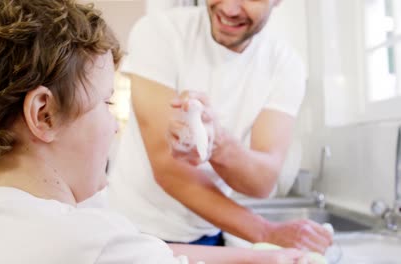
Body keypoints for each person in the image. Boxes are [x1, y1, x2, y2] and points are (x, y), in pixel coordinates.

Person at [0, 0, 318, 263]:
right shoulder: (93, 241)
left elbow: (155, 251)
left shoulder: (16, 220)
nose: (117, 130)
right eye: (107, 103)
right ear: (44, 114)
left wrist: (257, 255)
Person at [108, 0, 332, 253]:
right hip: (132, 230)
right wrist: (266, 232)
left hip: (209, 233)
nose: (229, 9)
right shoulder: (159, 31)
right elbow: (168, 170)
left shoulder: (285, 66)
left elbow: (262, 182)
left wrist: (218, 144)